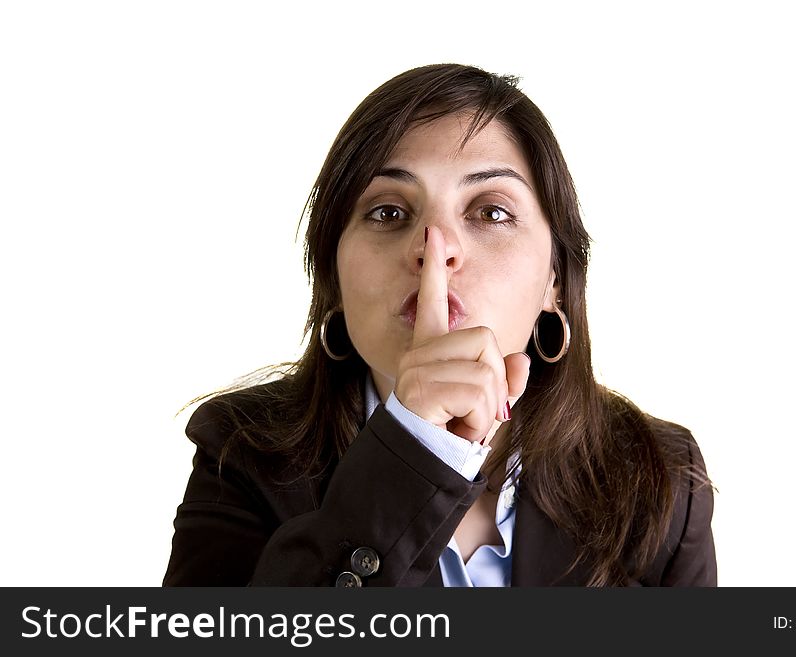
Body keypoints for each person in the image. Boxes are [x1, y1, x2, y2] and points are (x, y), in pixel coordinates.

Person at [163, 63, 717, 587]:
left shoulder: (660, 475)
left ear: (555, 279)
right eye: (388, 213)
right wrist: (414, 449)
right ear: (332, 275)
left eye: (491, 211)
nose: (436, 250)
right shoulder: (241, 452)